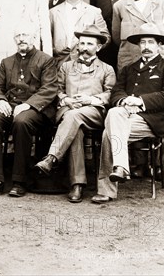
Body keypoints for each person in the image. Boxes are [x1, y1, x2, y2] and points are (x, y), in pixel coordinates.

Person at [92, 23, 164, 204]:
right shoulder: (128, 69)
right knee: (114, 118)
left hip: (150, 122)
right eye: (142, 42)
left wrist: (140, 101)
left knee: (109, 131)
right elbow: (116, 92)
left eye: (150, 42)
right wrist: (125, 101)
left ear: (158, 45)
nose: (146, 47)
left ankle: (108, 188)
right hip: (124, 116)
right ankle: (121, 167)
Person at [34, 25, 116, 203]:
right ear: (78, 45)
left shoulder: (107, 69)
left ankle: (52, 157)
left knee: (74, 117)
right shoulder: (65, 67)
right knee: (75, 128)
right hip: (68, 110)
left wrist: (89, 99)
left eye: (90, 44)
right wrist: (66, 100)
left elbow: (110, 94)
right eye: (82, 43)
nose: (85, 48)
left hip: (93, 111)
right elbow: (56, 90)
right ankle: (77, 185)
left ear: (98, 47)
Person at [0, 22, 57, 199]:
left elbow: (49, 89)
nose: (21, 39)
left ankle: (20, 181)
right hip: (10, 104)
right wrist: (0, 100)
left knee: (22, 121)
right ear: (14, 39)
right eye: (18, 36)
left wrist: (28, 104)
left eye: (25, 35)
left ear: (34, 38)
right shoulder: (7, 62)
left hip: (36, 109)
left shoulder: (46, 60)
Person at [49, 0, 110, 68]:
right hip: (58, 64)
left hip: (87, 64)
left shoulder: (94, 12)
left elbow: (106, 37)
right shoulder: (53, 13)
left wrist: (91, 49)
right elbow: (47, 38)